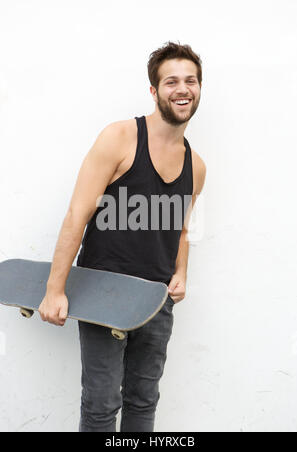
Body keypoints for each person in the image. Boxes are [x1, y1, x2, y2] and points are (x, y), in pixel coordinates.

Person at [38, 41, 206, 432]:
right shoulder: (120, 137)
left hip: (155, 300)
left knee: (143, 401)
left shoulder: (196, 165)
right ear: (154, 91)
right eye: (171, 81)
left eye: (191, 81)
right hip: (103, 293)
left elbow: (181, 226)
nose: (183, 89)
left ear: (199, 88)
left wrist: (181, 270)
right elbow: (77, 214)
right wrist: (54, 288)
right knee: (101, 405)